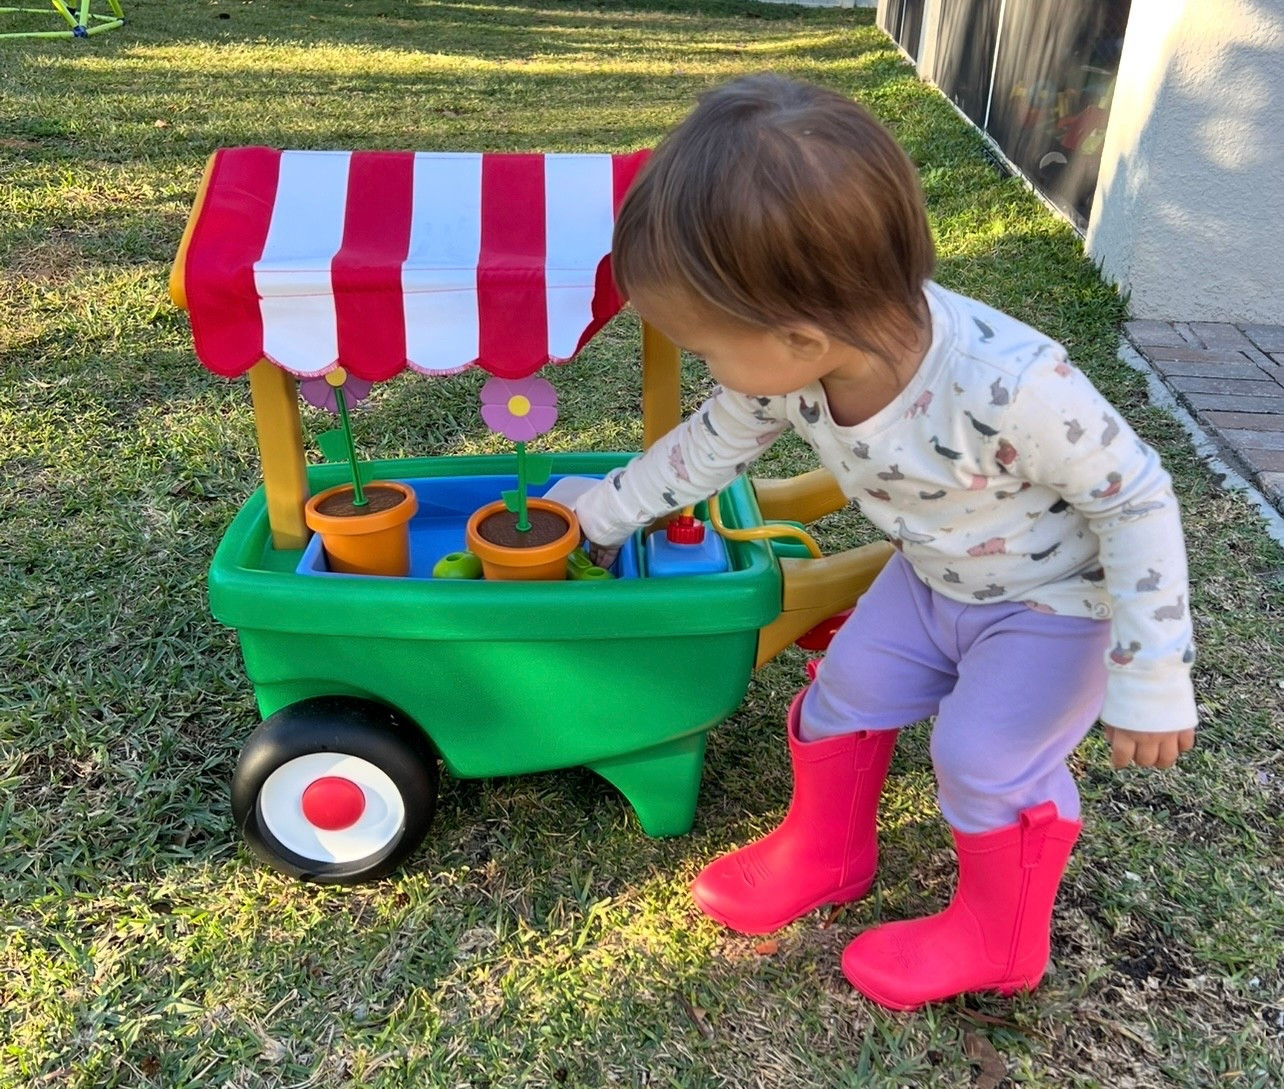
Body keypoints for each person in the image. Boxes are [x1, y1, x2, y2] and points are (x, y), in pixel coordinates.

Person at [569, 74, 1198, 1010]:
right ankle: (825, 854)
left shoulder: (1010, 383)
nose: (707, 368)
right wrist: (606, 511)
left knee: (982, 760)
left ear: (799, 333)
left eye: (705, 347)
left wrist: (1152, 671)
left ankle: (1002, 936)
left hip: (1058, 604)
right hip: (931, 576)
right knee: (842, 697)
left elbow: (1138, 499)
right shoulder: (790, 368)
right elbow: (709, 444)